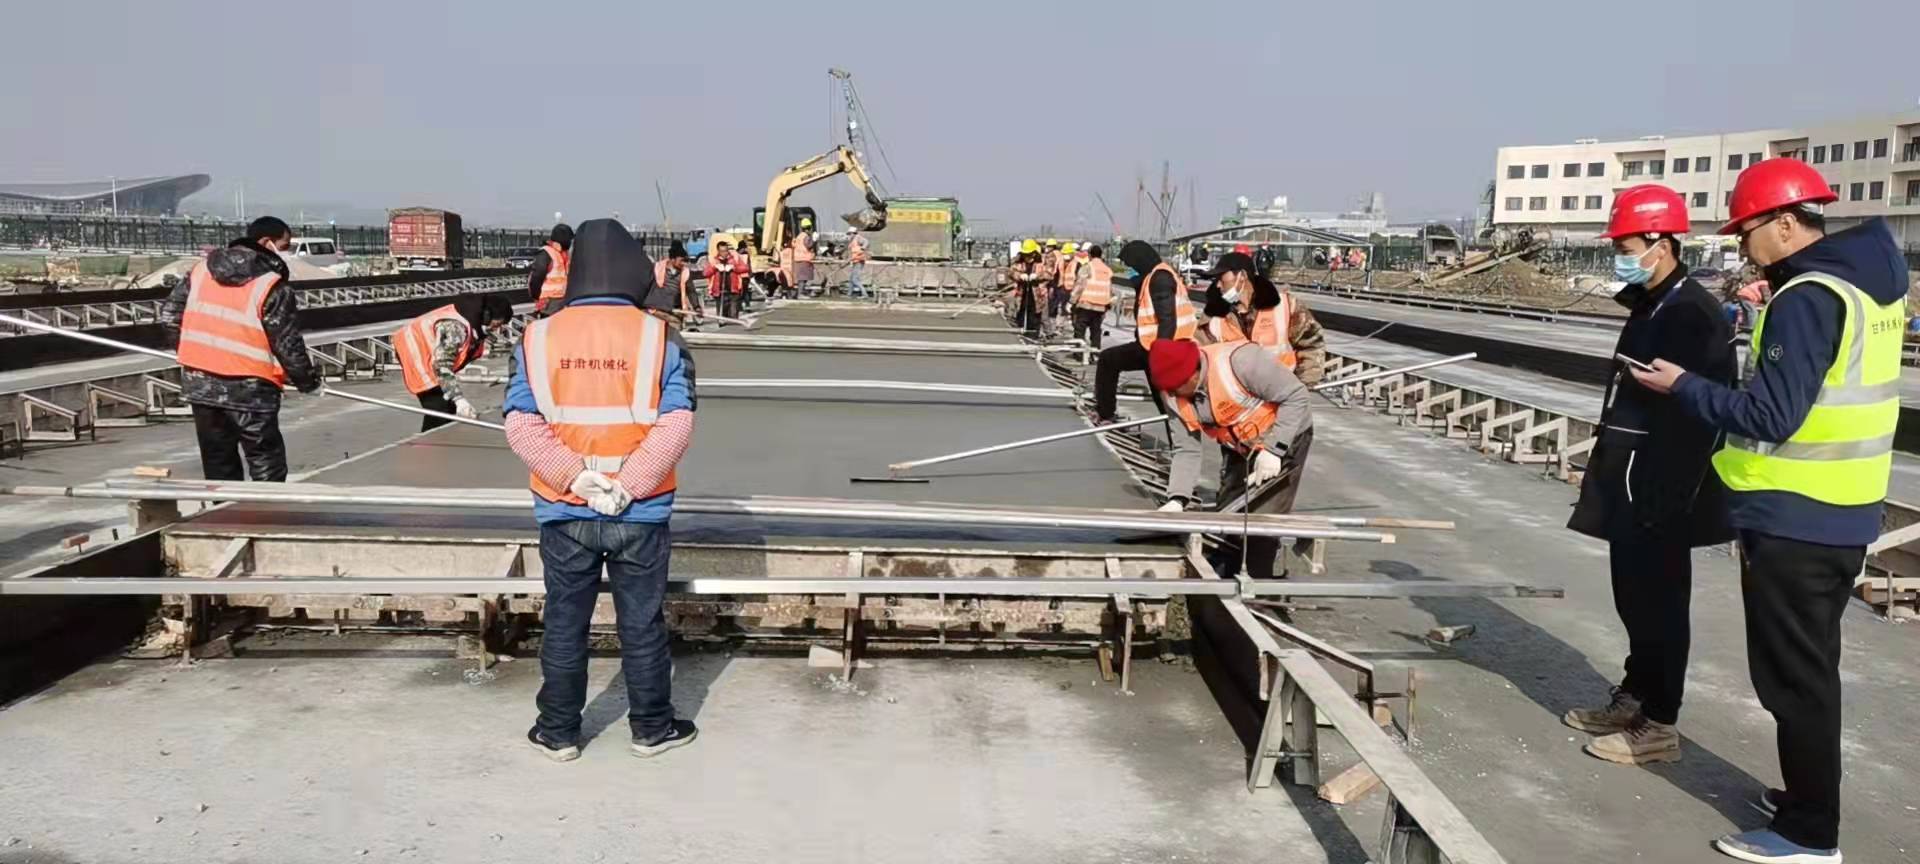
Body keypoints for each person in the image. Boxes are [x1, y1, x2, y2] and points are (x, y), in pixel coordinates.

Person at [1630, 159, 1907, 864]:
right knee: (1809, 669)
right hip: (1844, 507)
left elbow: (1772, 415)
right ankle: (1804, 799)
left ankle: (1810, 834)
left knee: (1793, 679)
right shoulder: (1869, 286)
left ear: (1785, 223)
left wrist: (1683, 385)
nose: (1741, 245)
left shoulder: (1808, 297)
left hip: (1797, 518)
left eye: (1746, 231)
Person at [503, 218, 699, 763]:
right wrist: (628, 486)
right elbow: (677, 423)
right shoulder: (660, 337)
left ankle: (558, 731)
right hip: (641, 513)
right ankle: (651, 728)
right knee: (641, 623)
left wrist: (575, 479)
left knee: (565, 622)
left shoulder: (537, 337)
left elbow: (521, 424)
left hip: (564, 511)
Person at [1561, 185, 1736, 768]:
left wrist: (1671, 493)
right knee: (1633, 597)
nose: (1620, 256)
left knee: (1661, 602)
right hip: (1631, 474)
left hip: (1663, 483)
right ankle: (1636, 695)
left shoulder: (1692, 313)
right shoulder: (1653, 303)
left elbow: (1701, 410)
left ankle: (1660, 721)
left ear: (1662, 244)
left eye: (1626, 246)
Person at [161, 216, 321, 482]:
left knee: (218, 462)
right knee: (265, 461)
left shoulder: (201, 271)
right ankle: (266, 507)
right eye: (284, 245)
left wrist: (195, 353)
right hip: (251, 388)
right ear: (266, 243)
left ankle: (225, 509)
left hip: (201, 384)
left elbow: (170, 317)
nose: (286, 252)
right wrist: (308, 382)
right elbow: (286, 342)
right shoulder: (271, 285)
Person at [1147, 338, 1313, 581]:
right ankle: (1225, 577)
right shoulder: (1171, 392)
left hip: (1284, 437)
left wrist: (1274, 450)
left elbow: (1296, 395)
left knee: (1261, 521)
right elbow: (1186, 449)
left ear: (1194, 373)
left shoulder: (1241, 362)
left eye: (1177, 387)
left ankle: (1258, 588)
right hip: (1239, 446)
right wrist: (1177, 498)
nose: (1173, 394)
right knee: (1228, 513)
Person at [1091, 240, 1196, 423]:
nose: (1130, 270)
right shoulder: (1153, 276)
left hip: (1162, 348)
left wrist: (1162, 355)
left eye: (1131, 265)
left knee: (1164, 397)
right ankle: (1106, 413)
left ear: (1140, 260)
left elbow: (1167, 319)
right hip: (1152, 345)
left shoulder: (1160, 279)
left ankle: (1106, 413)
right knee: (1162, 397)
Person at [1196, 251, 1328, 385]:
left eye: (1221, 277)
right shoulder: (1214, 316)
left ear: (1242, 276)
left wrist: (1303, 386)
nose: (1218, 285)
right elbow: (1199, 356)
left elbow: (1312, 344)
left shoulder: (1285, 306)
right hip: (1237, 396)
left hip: (1281, 392)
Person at [393, 295, 515, 431]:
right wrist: (459, 399)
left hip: (429, 355)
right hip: (416, 353)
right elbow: (442, 365)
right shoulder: (455, 328)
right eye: (497, 325)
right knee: (439, 410)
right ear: (486, 316)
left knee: (447, 409)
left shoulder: (468, 320)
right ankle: (429, 442)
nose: (497, 329)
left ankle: (435, 439)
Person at [1070, 244, 1113, 348]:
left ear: (1089, 255)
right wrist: (1108, 304)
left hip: (1086, 304)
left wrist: (1072, 301)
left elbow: (1080, 285)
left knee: (1080, 329)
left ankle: (1079, 353)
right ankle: (1095, 351)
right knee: (1096, 330)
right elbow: (1110, 289)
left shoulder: (1088, 267)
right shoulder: (1107, 270)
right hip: (1100, 306)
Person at [528, 224, 574, 316]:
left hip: (563, 301)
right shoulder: (546, 253)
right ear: (564, 239)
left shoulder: (564, 254)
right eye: (569, 240)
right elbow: (536, 277)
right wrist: (537, 297)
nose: (570, 242)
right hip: (549, 303)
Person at [1006, 239, 1048, 339]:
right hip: (1022, 295)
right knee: (1021, 316)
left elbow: (1049, 274)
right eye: (1025, 254)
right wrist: (1019, 275)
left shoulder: (1042, 262)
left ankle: (1033, 337)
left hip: (1037, 296)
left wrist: (1037, 276)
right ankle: (1022, 336)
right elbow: (1011, 272)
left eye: (1029, 254)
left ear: (1034, 253)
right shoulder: (1018, 262)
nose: (1027, 257)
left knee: (1034, 318)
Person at [704, 240, 750, 319]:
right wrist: (715, 268)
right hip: (719, 292)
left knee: (733, 316)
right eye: (722, 251)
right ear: (718, 251)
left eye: (726, 251)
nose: (724, 253)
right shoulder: (713, 260)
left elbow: (745, 268)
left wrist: (734, 268)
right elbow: (705, 273)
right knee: (722, 317)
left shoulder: (734, 258)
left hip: (733, 291)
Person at [654, 241, 697, 319]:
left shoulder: (685, 272)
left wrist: (696, 307)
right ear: (672, 259)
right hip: (660, 310)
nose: (683, 263)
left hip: (676, 310)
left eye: (684, 261)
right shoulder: (658, 268)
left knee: (675, 325)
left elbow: (691, 291)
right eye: (681, 260)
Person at [791, 217, 817, 294]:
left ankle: (801, 292)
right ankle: (800, 293)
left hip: (798, 259)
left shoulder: (799, 236)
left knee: (802, 278)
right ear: (808, 228)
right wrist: (814, 240)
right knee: (803, 278)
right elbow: (809, 245)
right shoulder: (806, 237)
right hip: (804, 259)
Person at [846, 226, 870, 299]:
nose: (849, 235)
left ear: (853, 233)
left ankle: (865, 294)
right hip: (855, 261)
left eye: (850, 234)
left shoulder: (858, 238)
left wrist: (862, 248)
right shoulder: (852, 241)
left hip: (859, 261)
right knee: (851, 279)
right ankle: (849, 294)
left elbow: (866, 242)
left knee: (855, 279)